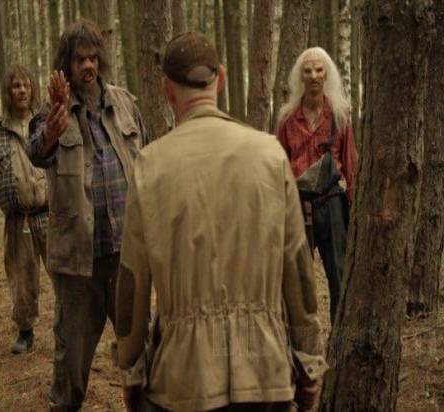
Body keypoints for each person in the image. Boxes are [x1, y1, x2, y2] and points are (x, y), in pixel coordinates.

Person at [115, 31, 327, 412]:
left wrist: (131, 371)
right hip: (265, 373)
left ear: (167, 91)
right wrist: (309, 362)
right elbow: (298, 267)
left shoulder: (150, 165)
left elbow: (132, 281)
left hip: (183, 378)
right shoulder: (270, 154)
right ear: (222, 79)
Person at [27, 19, 147, 411]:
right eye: (80, 60)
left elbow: (146, 163)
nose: (88, 66)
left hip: (126, 257)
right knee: (71, 368)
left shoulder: (124, 104)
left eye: (93, 58)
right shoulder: (52, 112)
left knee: (141, 359)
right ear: (67, 64)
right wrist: (51, 131)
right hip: (79, 264)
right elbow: (36, 151)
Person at [275, 47, 358, 323]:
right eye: (308, 70)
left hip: (332, 204)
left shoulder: (340, 115)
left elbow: (351, 164)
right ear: (300, 77)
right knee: (296, 281)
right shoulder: (287, 119)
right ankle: (299, 341)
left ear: (326, 75)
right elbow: (277, 166)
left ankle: (338, 339)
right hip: (297, 208)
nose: (313, 76)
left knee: (339, 276)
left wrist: (355, 209)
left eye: (319, 70)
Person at [0, 65, 48, 354]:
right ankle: (25, 332)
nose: (22, 90)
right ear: (8, 92)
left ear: (32, 89)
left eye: (26, 85)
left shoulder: (44, 125)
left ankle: (71, 330)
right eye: (16, 86)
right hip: (17, 221)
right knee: (22, 280)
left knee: (65, 274)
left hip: (49, 215)